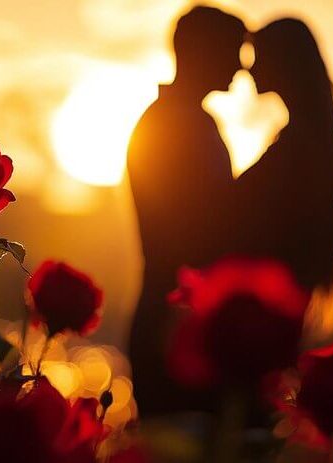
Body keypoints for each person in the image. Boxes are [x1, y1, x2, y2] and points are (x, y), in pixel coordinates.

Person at [127, 5, 246, 415]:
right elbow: (195, 229)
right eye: (233, 50)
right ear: (203, 52)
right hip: (173, 322)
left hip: (175, 317)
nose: (241, 65)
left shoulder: (182, 122)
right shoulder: (172, 127)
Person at [237, 18, 333, 294]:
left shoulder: (297, 149)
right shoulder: (309, 141)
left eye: (259, 56)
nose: (249, 68)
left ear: (284, 61)